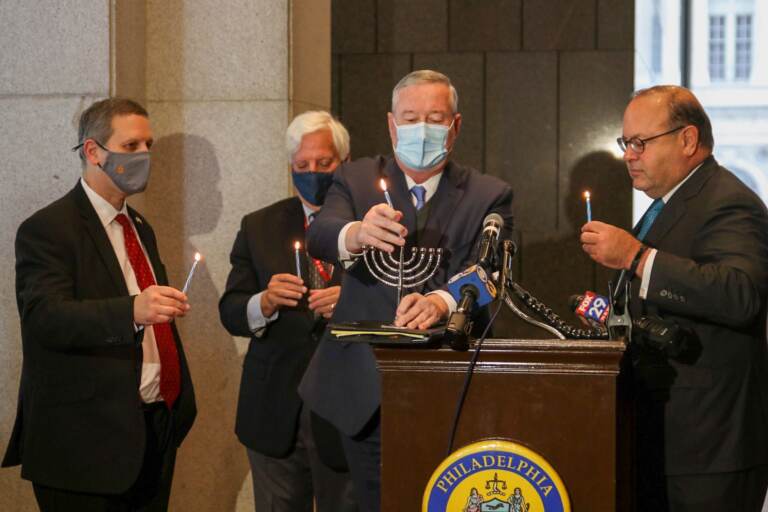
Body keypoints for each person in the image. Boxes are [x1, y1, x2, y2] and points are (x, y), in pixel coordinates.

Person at [299, 70, 514, 511]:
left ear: (455, 126)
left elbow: (491, 272)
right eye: (411, 118)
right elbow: (322, 231)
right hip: (360, 390)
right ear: (392, 125)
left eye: (435, 118)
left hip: (447, 387)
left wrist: (441, 300)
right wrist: (358, 232)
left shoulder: (488, 194)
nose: (422, 129)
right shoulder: (356, 180)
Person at [1, 98, 197, 511]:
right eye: (130, 147)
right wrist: (132, 310)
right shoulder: (48, 229)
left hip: (153, 430)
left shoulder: (140, 227)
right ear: (93, 152)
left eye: (149, 144)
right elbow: (45, 317)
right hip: (84, 446)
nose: (144, 155)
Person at [580, 85, 768, 511]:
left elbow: (741, 294)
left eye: (640, 142)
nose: (629, 154)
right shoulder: (668, 204)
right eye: (625, 143)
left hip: (710, 449)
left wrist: (635, 256)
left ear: (687, 139)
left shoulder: (729, 202)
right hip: (662, 436)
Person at [219, 111, 357, 512]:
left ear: (345, 163)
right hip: (276, 409)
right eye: (302, 165)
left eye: (323, 163)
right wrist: (261, 302)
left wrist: (350, 305)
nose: (312, 173)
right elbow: (230, 310)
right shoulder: (259, 225)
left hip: (347, 410)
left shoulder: (374, 224)